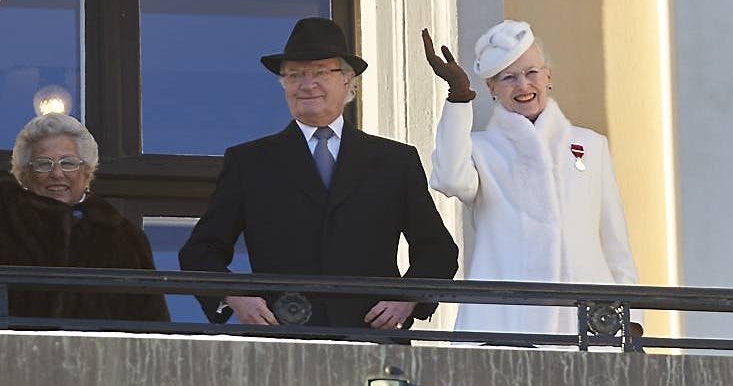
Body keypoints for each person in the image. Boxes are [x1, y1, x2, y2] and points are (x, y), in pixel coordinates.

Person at [178, 17, 459, 330]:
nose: (307, 84)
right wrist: (234, 296)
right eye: (294, 75)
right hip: (284, 342)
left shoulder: (394, 161)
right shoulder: (249, 162)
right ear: (284, 85)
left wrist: (407, 298)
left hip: (372, 342)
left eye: (321, 72)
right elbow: (200, 251)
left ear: (347, 80)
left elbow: (438, 250)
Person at [422, 21, 639, 336]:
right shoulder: (482, 150)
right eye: (508, 78)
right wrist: (458, 97)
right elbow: (450, 180)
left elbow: (615, 244)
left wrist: (633, 322)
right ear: (492, 89)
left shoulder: (591, 146)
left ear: (548, 76)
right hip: (504, 325)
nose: (523, 86)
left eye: (531, 73)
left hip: (589, 325)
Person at [0, 113, 170, 323]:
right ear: (25, 175)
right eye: (44, 164)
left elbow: (152, 318)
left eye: (68, 163)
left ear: (86, 171)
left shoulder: (123, 235)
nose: (57, 174)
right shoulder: (1, 225)